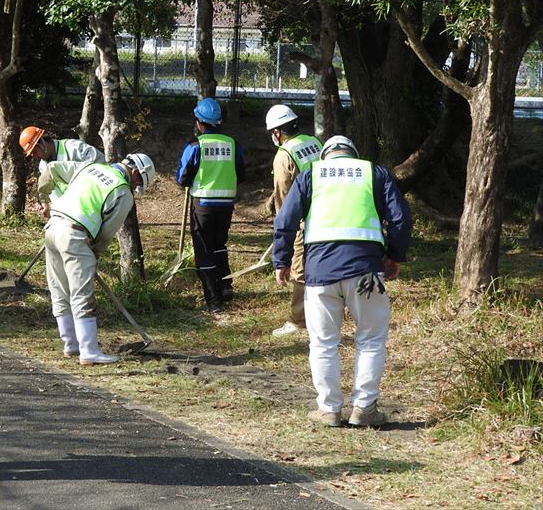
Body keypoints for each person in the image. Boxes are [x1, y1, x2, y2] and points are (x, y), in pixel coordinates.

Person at [272, 135, 411, 428]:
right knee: (371, 339)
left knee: (323, 343)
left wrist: (282, 261)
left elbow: (285, 219)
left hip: (320, 273)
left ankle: (329, 410)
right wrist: (393, 256)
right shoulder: (374, 173)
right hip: (367, 271)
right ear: (353, 154)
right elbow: (400, 218)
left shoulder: (312, 175)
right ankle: (365, 409)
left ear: (326, 156)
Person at [38, 153, 156, 365]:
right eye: (138, 182)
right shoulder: (122, 192)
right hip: (74, 236)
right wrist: (95, 253)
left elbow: (52, 169)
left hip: (52, 229)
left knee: (60, 290)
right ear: (136, 172)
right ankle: (89, 351)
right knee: (82, 295)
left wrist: (43, 197)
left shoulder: (91, 167)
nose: (136, 187)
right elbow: (106, 233)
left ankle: (71, 345)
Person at [176, 98, 246, 313]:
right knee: (219, 245)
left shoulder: (196, 146)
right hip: (226, 206)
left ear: (199, 122)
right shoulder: (233, 145)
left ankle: (213, 299)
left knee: (204, 250)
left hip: (203, 205)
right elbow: (241, 174)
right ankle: (225, 286)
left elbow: (182, 177)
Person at [265, 104, 322, 337]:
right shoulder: (314, 142)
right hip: (325, 212)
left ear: (278, 132)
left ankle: (299, 320)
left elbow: (285, 198)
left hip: (303, 218)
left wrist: (282, 227)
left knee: (299, 267)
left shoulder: (284, 155)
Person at [19, 125, 106, 214]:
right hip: (77, 211)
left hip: (96, 200)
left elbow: (101, 166)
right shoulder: (43, 166)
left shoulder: (73, 147)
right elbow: (55, 194)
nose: (34, 156)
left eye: (34, 151)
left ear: (42, 144)